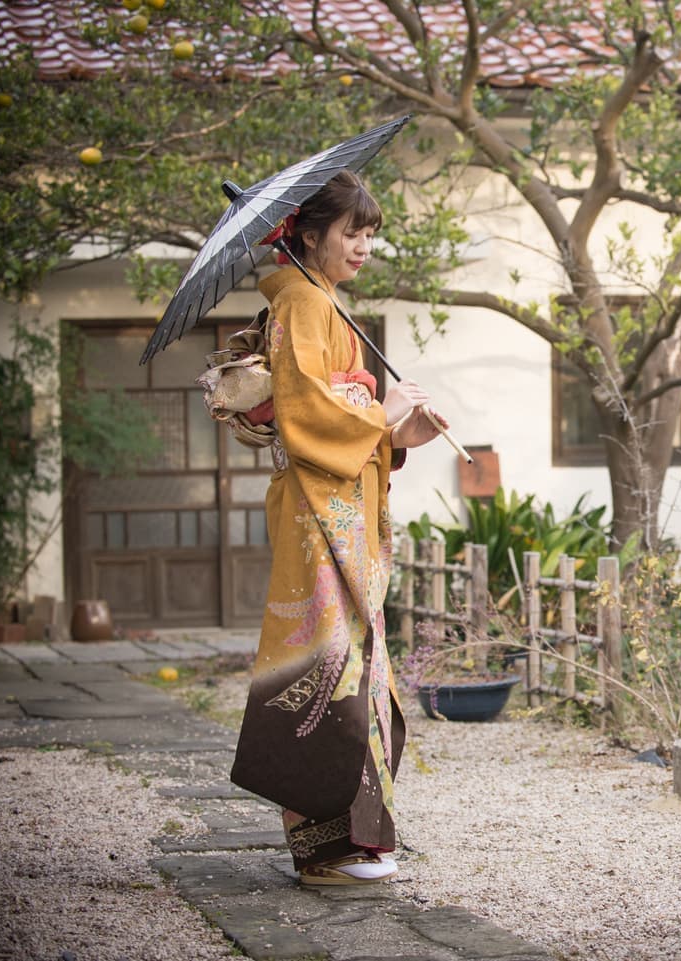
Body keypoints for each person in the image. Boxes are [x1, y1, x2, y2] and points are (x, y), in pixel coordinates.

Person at [229, 170, 446, 886]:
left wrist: (398, 433)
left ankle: (355, 839)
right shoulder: (300, 300)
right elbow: (306, 415)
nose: (363, 246)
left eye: (370, 234)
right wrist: (381, 412)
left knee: (353, 667)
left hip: (335, 508)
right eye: (352, 232)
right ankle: (322, 850)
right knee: (327, 668)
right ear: (310, 233)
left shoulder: (321, 301)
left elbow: (348, 422)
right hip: (314, 514)